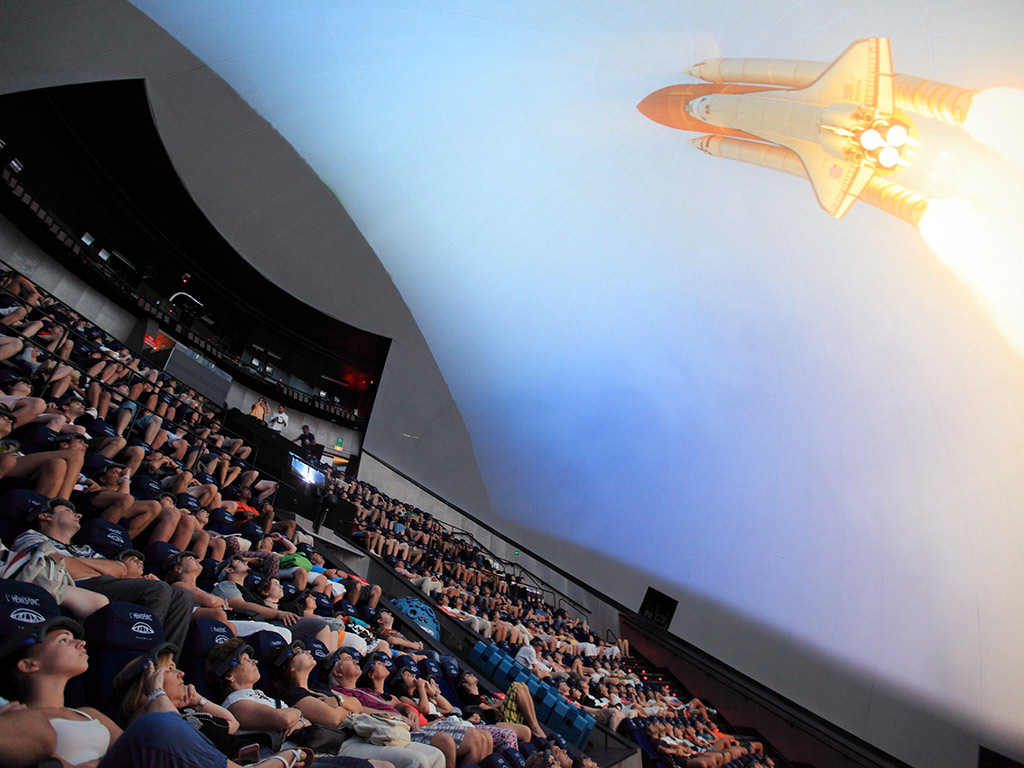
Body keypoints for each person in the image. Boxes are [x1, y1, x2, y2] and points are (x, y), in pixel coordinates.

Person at [12, 498, 194, 649]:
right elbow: (47, 565)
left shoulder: (84, 548)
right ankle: (144, 658)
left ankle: (166, 660)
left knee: (183, 596)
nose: (78, 515)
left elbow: (119, 569)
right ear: (45, 516)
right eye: (68, 511)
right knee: (158, 589)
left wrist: (73, 563)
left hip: (103, 584)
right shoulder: (31, 536)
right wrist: (96, 567)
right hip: (70, 585)